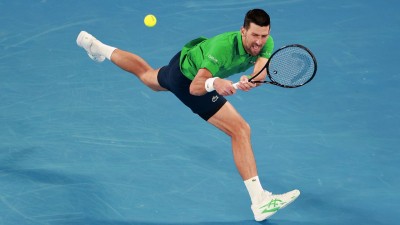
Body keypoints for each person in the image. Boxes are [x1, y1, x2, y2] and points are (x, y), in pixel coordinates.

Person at [76, 8, 300, 222]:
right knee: (240, 130)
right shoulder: (222, 48)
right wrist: (216, 83)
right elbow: (196, 88)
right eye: (254, 35)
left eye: (264, 35)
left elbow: (259, 75)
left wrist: (248, 81)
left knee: (148, 76)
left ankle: (98, 47)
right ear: (243, 31)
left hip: (183, 60)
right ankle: (259, 201)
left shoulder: (266, 43)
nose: (259, 41)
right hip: (190, 81)